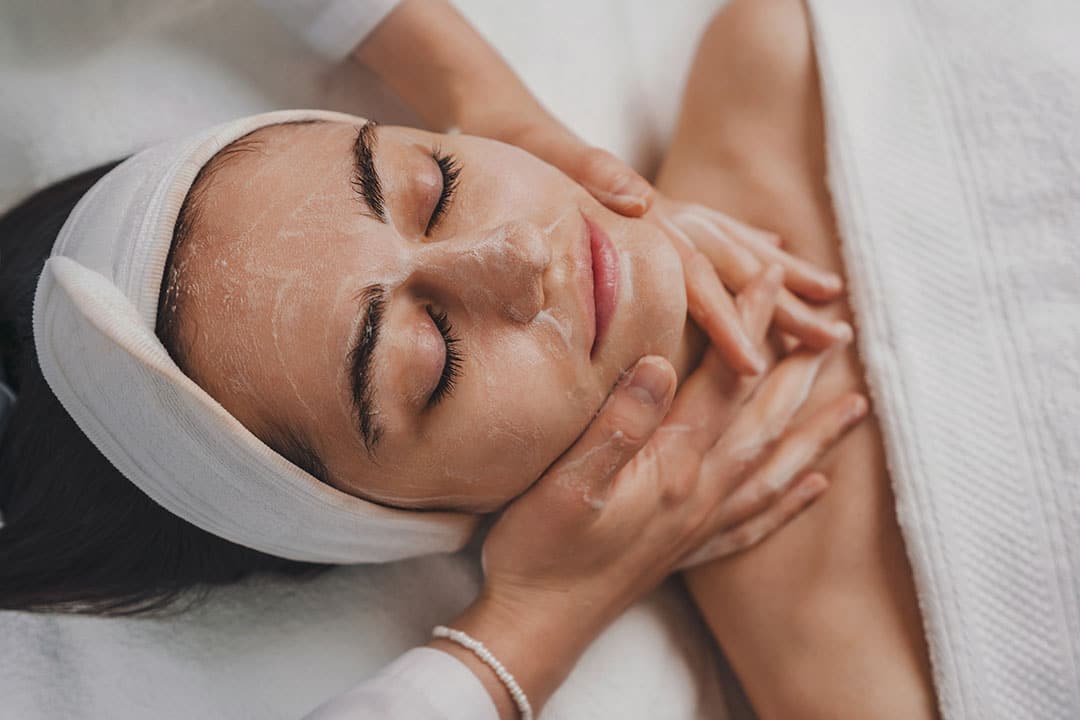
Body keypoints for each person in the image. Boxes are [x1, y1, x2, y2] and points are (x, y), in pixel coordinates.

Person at [0, 2, 928, 719]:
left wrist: (487, 95)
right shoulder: (847, 663)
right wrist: (536, 620)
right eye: (431, 357)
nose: (516, 259)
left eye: (434, 186)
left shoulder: (784, 49)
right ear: (423, 519)